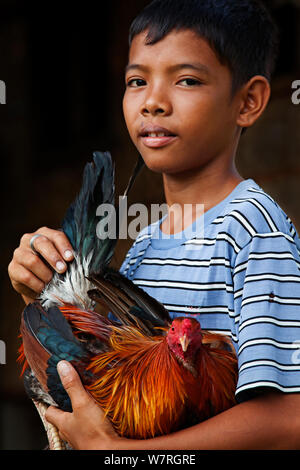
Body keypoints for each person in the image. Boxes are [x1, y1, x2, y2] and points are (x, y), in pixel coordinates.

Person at [8, 0, 300, 450]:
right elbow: (106, 379)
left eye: (186, 80)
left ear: (248, 101)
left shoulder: (256, 232)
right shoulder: (147, 240)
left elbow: (289, 420)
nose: (153, 102)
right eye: (137, 81)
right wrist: (45, 293)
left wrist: (121, 455)